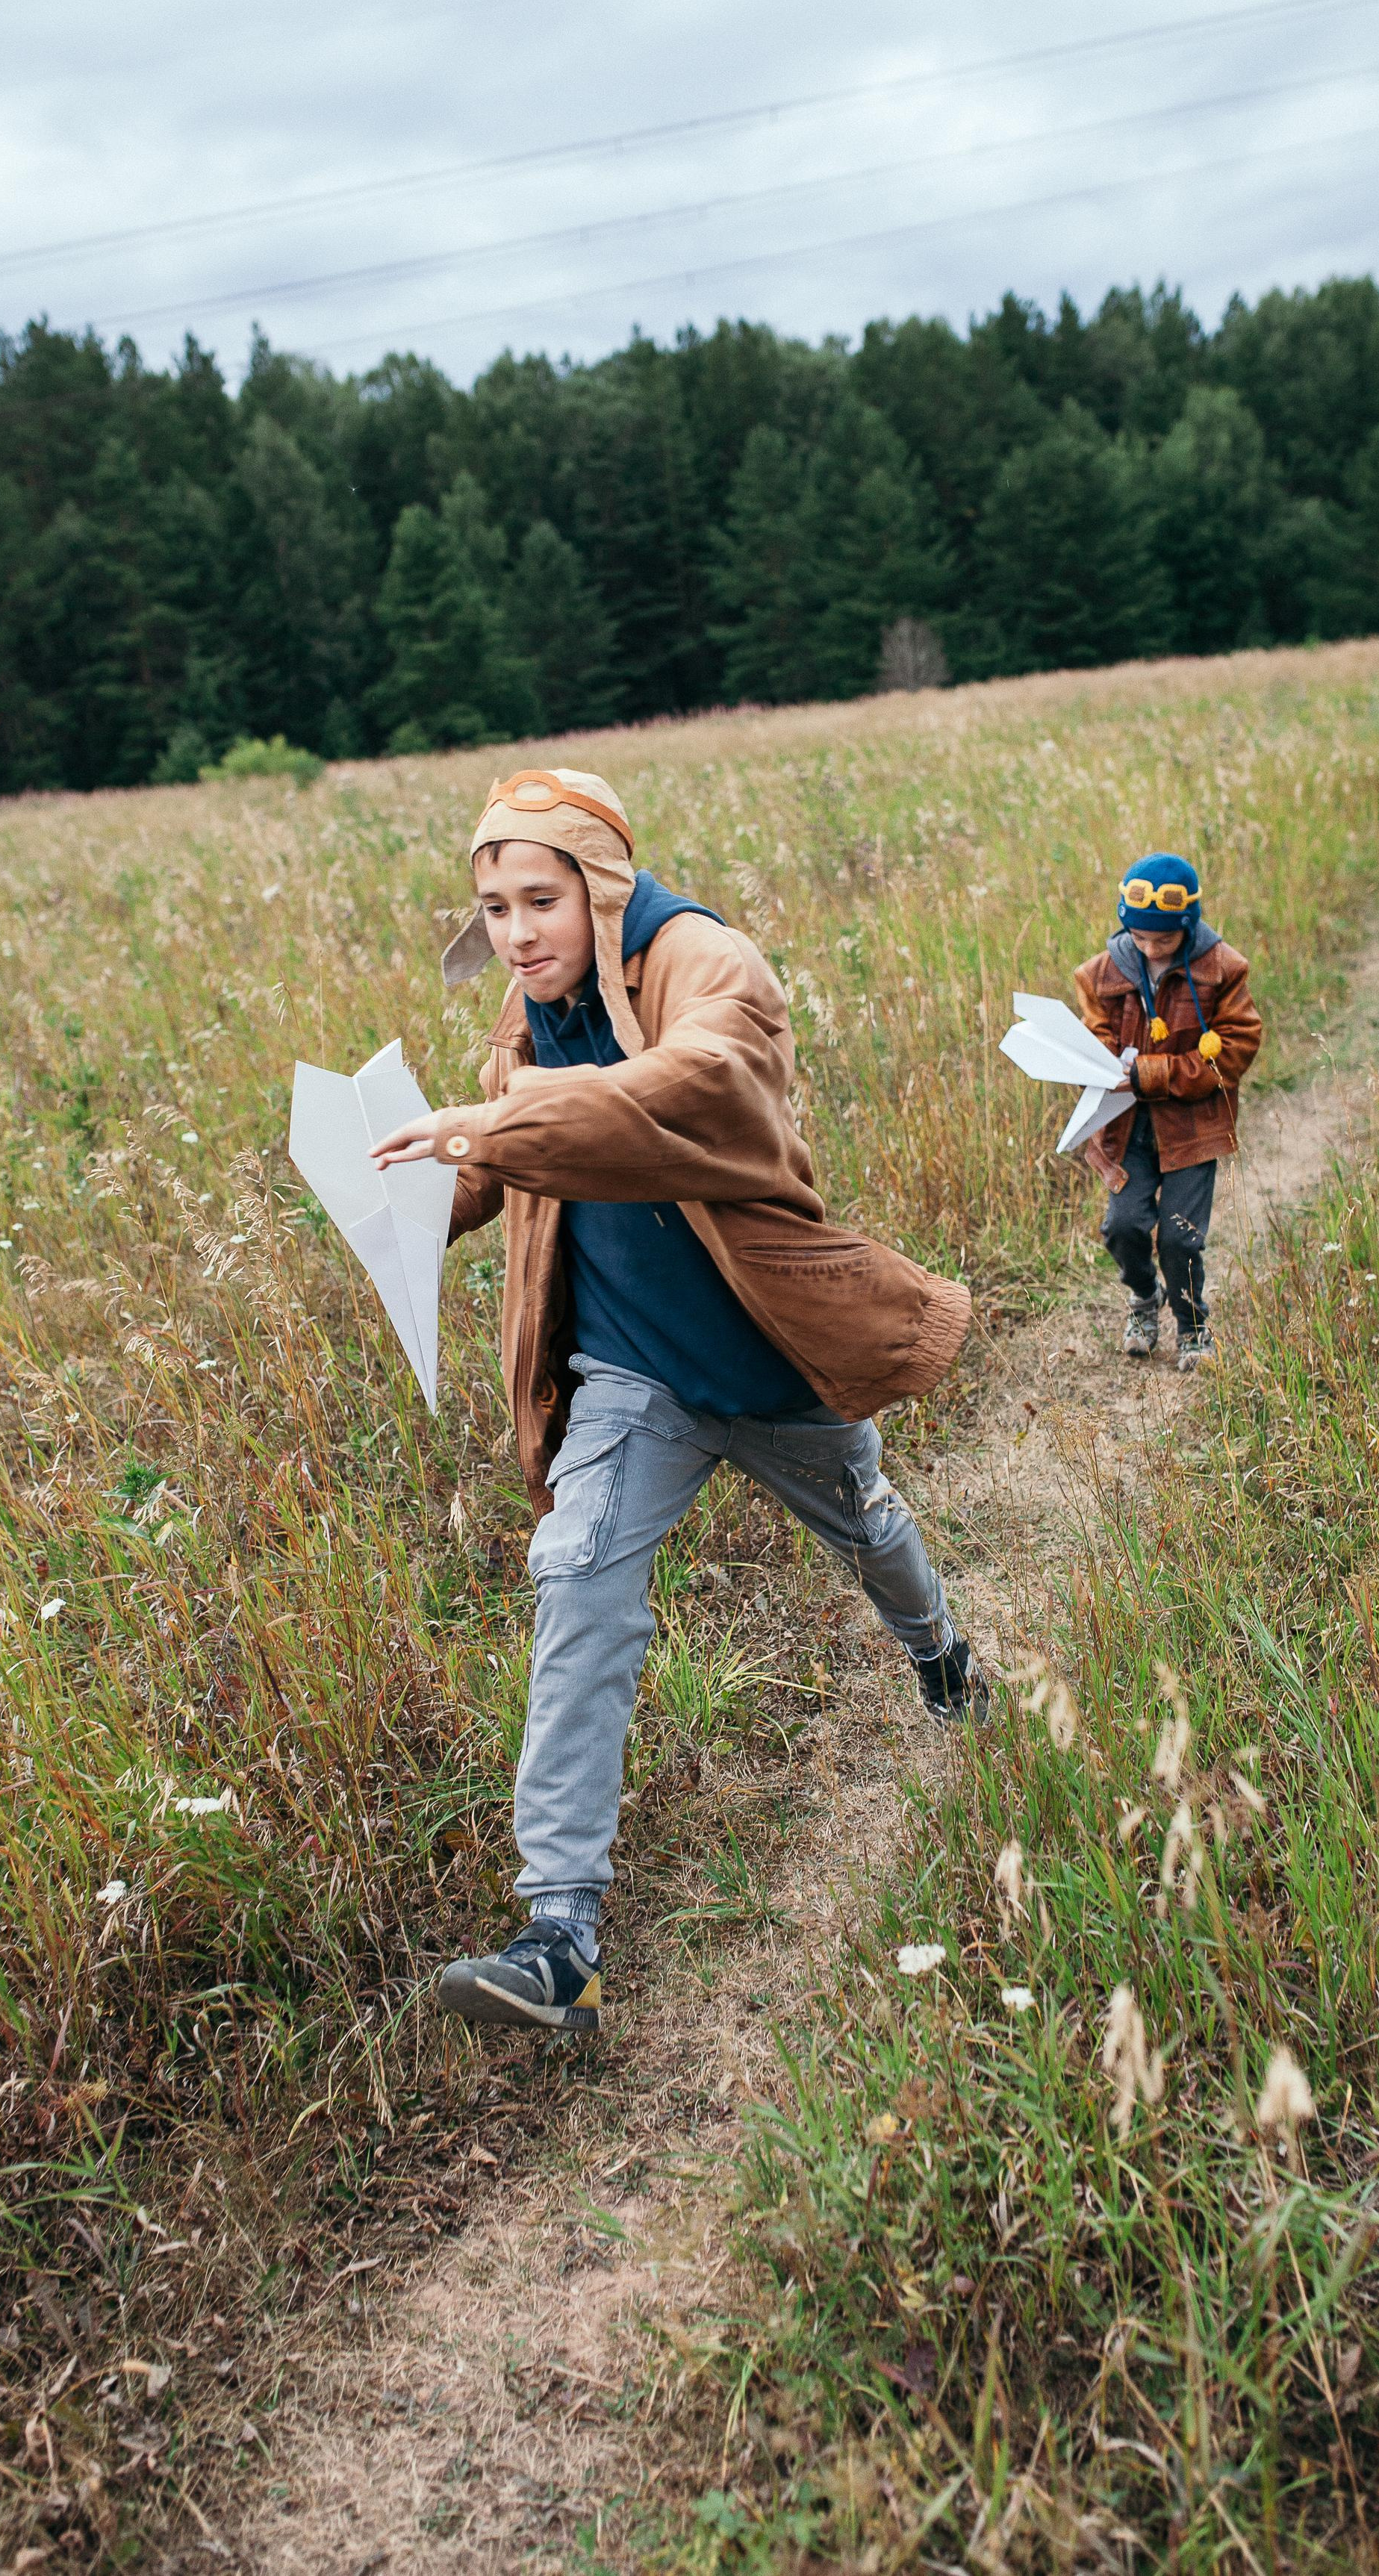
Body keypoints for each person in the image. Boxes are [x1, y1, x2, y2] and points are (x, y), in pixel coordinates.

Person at [370, 766, 983, 2035]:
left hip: (769, 1364)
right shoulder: (527, 1008)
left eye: (539, 899)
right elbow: (493, 1163)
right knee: (576, 1585)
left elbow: (697, 1091)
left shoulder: (706, 963)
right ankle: (558, 1937)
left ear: (598, 885)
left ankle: (941, 1658)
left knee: (868, 1528)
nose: (517, 931)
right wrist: (400, 1190)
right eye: (492, 907)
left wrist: (495, 1124)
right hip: (628, 1378)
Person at [1075, 850, 1263, 1373]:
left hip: (1192, 1127)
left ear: (1189, 925)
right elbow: (1092, 1037)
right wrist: (1097, 1061)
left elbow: (1235, 1050)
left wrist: (1150, 1074)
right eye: (1139, 939)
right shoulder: (1101, 973)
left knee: (1180, 1236)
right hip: (1125, 1127)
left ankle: (1192, 1327)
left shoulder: (1223, 969)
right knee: (1122, 1226)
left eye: (1163, 940)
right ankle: (1143, 1297)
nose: (1150, 949)